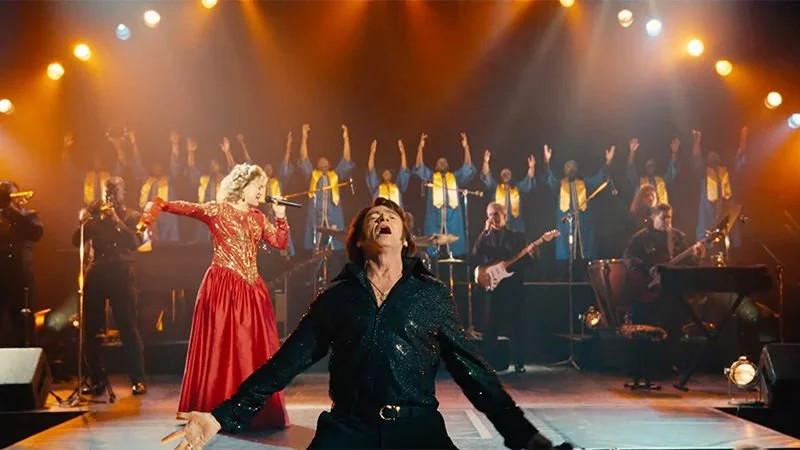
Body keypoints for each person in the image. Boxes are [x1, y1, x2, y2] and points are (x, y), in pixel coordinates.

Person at [161, 198, 570, 450]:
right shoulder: (337, 299)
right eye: (374, 217)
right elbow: (283, 365)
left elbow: (476, 375)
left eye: (391, 216)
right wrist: (220, 417)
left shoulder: (430, 296)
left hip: (418, 431)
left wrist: (524, 437)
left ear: (405, 239)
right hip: (347, 431)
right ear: (359, 240)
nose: (383, 219)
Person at [143, 163, 290, 430]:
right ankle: (216, 406)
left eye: (263, 187)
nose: (262, 192)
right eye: (258, 187)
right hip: (223, 288)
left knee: (250, 350)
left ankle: (251, 409)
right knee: (222, 348)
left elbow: (280, 242)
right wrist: (161, 205)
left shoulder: (259, 217)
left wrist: (281, 216)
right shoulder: (218, 210)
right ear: (242, 187)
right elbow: (189, 208)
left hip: (252, 290)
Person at [73, 177, 146, 395]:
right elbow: (76, 240)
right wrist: (88, 218)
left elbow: (134, 243)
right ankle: (96, 378)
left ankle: (138, 379)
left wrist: (115, 220)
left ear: (124, 192)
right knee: (91, 328)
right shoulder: (96, 218)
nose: (111, 195)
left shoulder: (132, 216)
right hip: (97, 272)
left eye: (115, 191)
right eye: (108, 191)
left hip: (121, 273)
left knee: (127, 326)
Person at [623, 203, 700, 362]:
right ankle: (646, 361)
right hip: (647, 292)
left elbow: (689, 263)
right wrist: (648, 269)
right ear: (653, 217)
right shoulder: (641, 237)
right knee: (647, 327)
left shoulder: (678, 237)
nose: (667, 221)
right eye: (663, 218)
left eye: (669, 218)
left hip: (672, 292)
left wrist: (697, 256)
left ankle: (671, 361)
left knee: (674, 325)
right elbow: (628, 257)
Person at [472, 203, 537, 373]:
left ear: (505, 216)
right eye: (490, 215)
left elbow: (529, 264)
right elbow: (476, 254)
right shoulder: (485, 238)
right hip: (494, 289)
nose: (493, 218)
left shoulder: (517, 237)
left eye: (496, 214)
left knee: (517, 325)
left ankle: (519, 363)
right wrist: (484, 231)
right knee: (490, 327)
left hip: (513, 286)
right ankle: (490, 364)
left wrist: (533, 254)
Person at [281, 124, 354, 251]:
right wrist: (304, 137)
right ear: (317, 164)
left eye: (326, 161)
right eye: (321, 161)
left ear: (330, 164)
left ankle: (334, 256)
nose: (323, 163)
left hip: (333, 214)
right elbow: (304, 158)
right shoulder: (313, 175)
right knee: (316, 242)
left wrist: (346, 138)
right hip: (315, 214)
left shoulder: (335, 175)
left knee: (335, 243)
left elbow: (346, 159)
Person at [542, 144, 614, 267]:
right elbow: (549, 177)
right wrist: (546, 161)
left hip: (583, 224)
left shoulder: (584, 183)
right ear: (564, 170)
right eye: (568, 167)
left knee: (585, 253)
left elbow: (600, 177)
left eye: (573, 167)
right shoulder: (559, 184)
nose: (571, 169)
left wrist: (608, 162)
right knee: (566, 256)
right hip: (565, 225)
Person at [413, 132, 476, 257]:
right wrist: (420, 147)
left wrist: (466, 147)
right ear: (435, 166)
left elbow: (468, 166)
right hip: (434, 215)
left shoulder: (455, 177)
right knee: (432, 243)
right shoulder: (431, 177)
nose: (442, 164)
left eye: (444, 162)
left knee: (455, 245)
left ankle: (455, 260)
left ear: (448, 166)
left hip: (453, 215)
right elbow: (419, 166)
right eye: (439, 162)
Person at [0, 181, 43, 348]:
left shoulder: (28, 215)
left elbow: (36, 233)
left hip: (21, 278)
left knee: (23, 325)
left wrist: (10, 208)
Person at [691, 127, 747, 246]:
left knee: (730, 235)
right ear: (707, 160)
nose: (713, 157)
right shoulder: (704, 173)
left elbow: (739, 160)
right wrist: (697, 142)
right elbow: (696, 159)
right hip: (709, 209)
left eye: (715, 155)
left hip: (726, 207)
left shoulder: (726, 172)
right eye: (710, 156)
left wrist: (743, 140)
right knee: (708, 237)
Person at [480, 150, 536, 233]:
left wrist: (532, 167)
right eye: (504, 173)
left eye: (508, 173)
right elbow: (487, 175)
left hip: (515, 223)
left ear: (511, 175)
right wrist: (485, 162)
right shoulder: (496, 187)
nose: (506, 175)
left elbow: (528, 180)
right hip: (498, 222)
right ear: (500, 175)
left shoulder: (517, 187)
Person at [626, 137, 679, 205]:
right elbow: (630, 169)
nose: (650, 168)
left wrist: (674, 152)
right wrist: (632, 152)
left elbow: (672, 171)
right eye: (649, 166)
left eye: (652, 165)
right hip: (644, 210)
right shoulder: (639, 182)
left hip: (660, 210)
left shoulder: (662, 181)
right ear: (645, 167)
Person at [366, 138, 410, 208]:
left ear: (391, 175)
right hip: (380, 212)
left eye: (388, 172)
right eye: (385, 173)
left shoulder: (397, 186)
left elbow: (403, 169)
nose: (386, 174)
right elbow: (371, 170)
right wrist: (372, 153)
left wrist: (403, 153)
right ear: (381, 175)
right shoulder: (377, 188)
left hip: (395, 213)